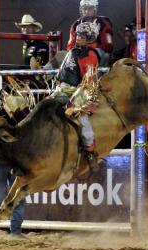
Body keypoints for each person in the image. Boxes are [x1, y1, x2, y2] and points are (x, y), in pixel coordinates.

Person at [55, 21, 100, 171]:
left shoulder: (90, 55)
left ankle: (90, 153)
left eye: (82, 36)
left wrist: (77, 100)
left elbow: (88, 81)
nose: (78, 37)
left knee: (84, 124)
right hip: (60, 89)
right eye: (78, 35)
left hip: (77, 91)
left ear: (89, 38)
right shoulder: (72, 51)